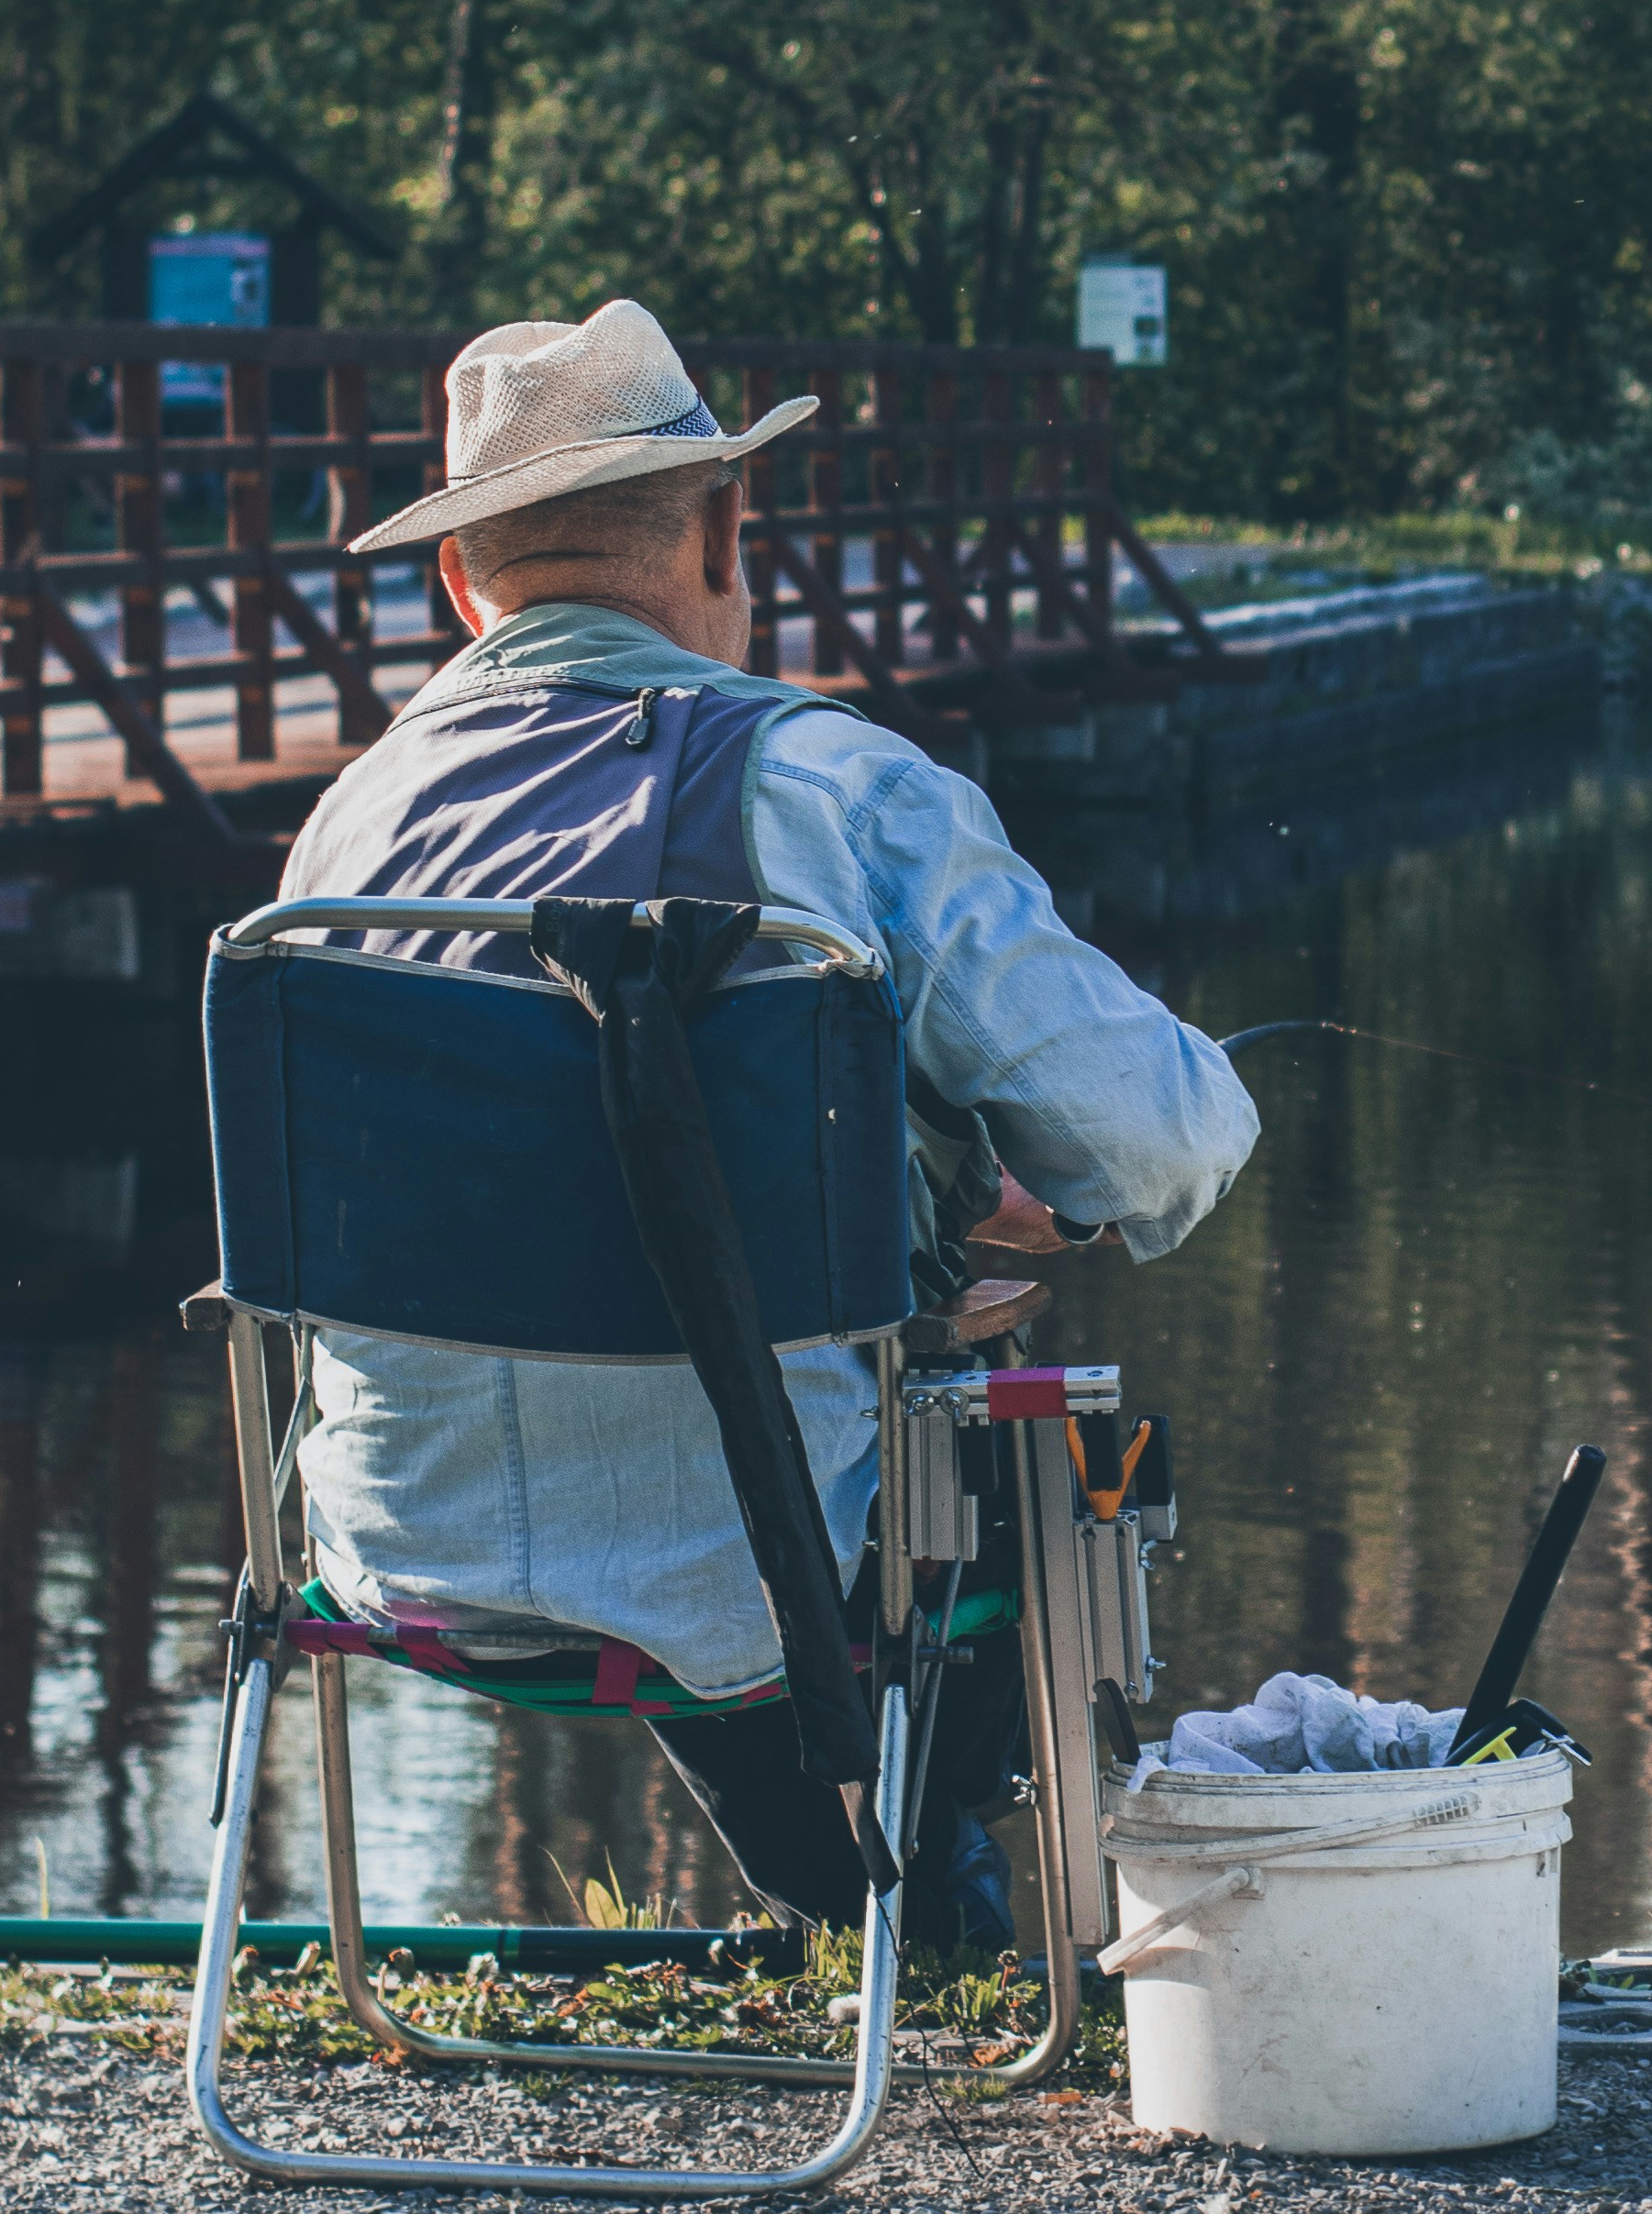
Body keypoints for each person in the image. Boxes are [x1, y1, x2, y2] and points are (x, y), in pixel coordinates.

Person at [278, 295, 1258, 1932]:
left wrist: (901, 1209)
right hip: (755, 1575)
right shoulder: (834, 789)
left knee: (746, 1375)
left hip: (387, 1541)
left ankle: (861, 1901)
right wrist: (1021, 1206)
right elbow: (1159, 1141)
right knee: (995, 1415)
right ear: (731, 522)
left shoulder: (343, 834)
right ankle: (947, 1917)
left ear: (460, 581)